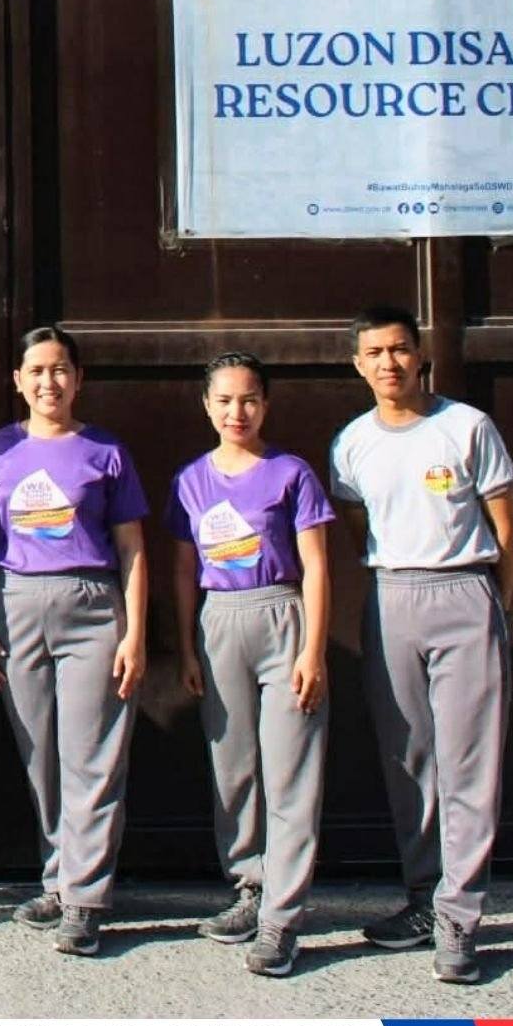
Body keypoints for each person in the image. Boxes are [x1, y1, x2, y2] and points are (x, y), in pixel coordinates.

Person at [330, 305, 513, 985]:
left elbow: (507, 525)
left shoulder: (466, 427)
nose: (389, 363)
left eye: (400, 349)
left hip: (464, 591)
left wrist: (495, 603)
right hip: (391, 597)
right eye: (375, 353)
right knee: (409, 759)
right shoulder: (351, 442)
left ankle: (459, 918)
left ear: (420, 355)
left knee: (469, 762)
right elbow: (356, 523)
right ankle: (423, 897)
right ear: (359, 365)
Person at [0, 326, 147, 957]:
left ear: (79, 378)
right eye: (37, 371)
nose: (50, 382)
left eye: (61, 369)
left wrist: (135, 632)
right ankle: (58, 877)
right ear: (18, 380)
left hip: (92, 607)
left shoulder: (106, 450)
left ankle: (85, 899)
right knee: (39, 755)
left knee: (91, 756)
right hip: (15, 606)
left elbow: (132, 547)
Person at [169, 351, 333, 977]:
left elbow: (316, 565)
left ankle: (282, 918)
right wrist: (187, 646)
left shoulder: (291, 473)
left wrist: (313, 649)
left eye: (249, 400)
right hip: (220, 622)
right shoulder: (191, 480)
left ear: (266, 405)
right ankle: (249, 885)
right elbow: (184, 569)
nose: (237, 412)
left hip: (281, 616)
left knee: (290, 771)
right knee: (233, 767)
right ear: (206, 406)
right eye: (225, 400)